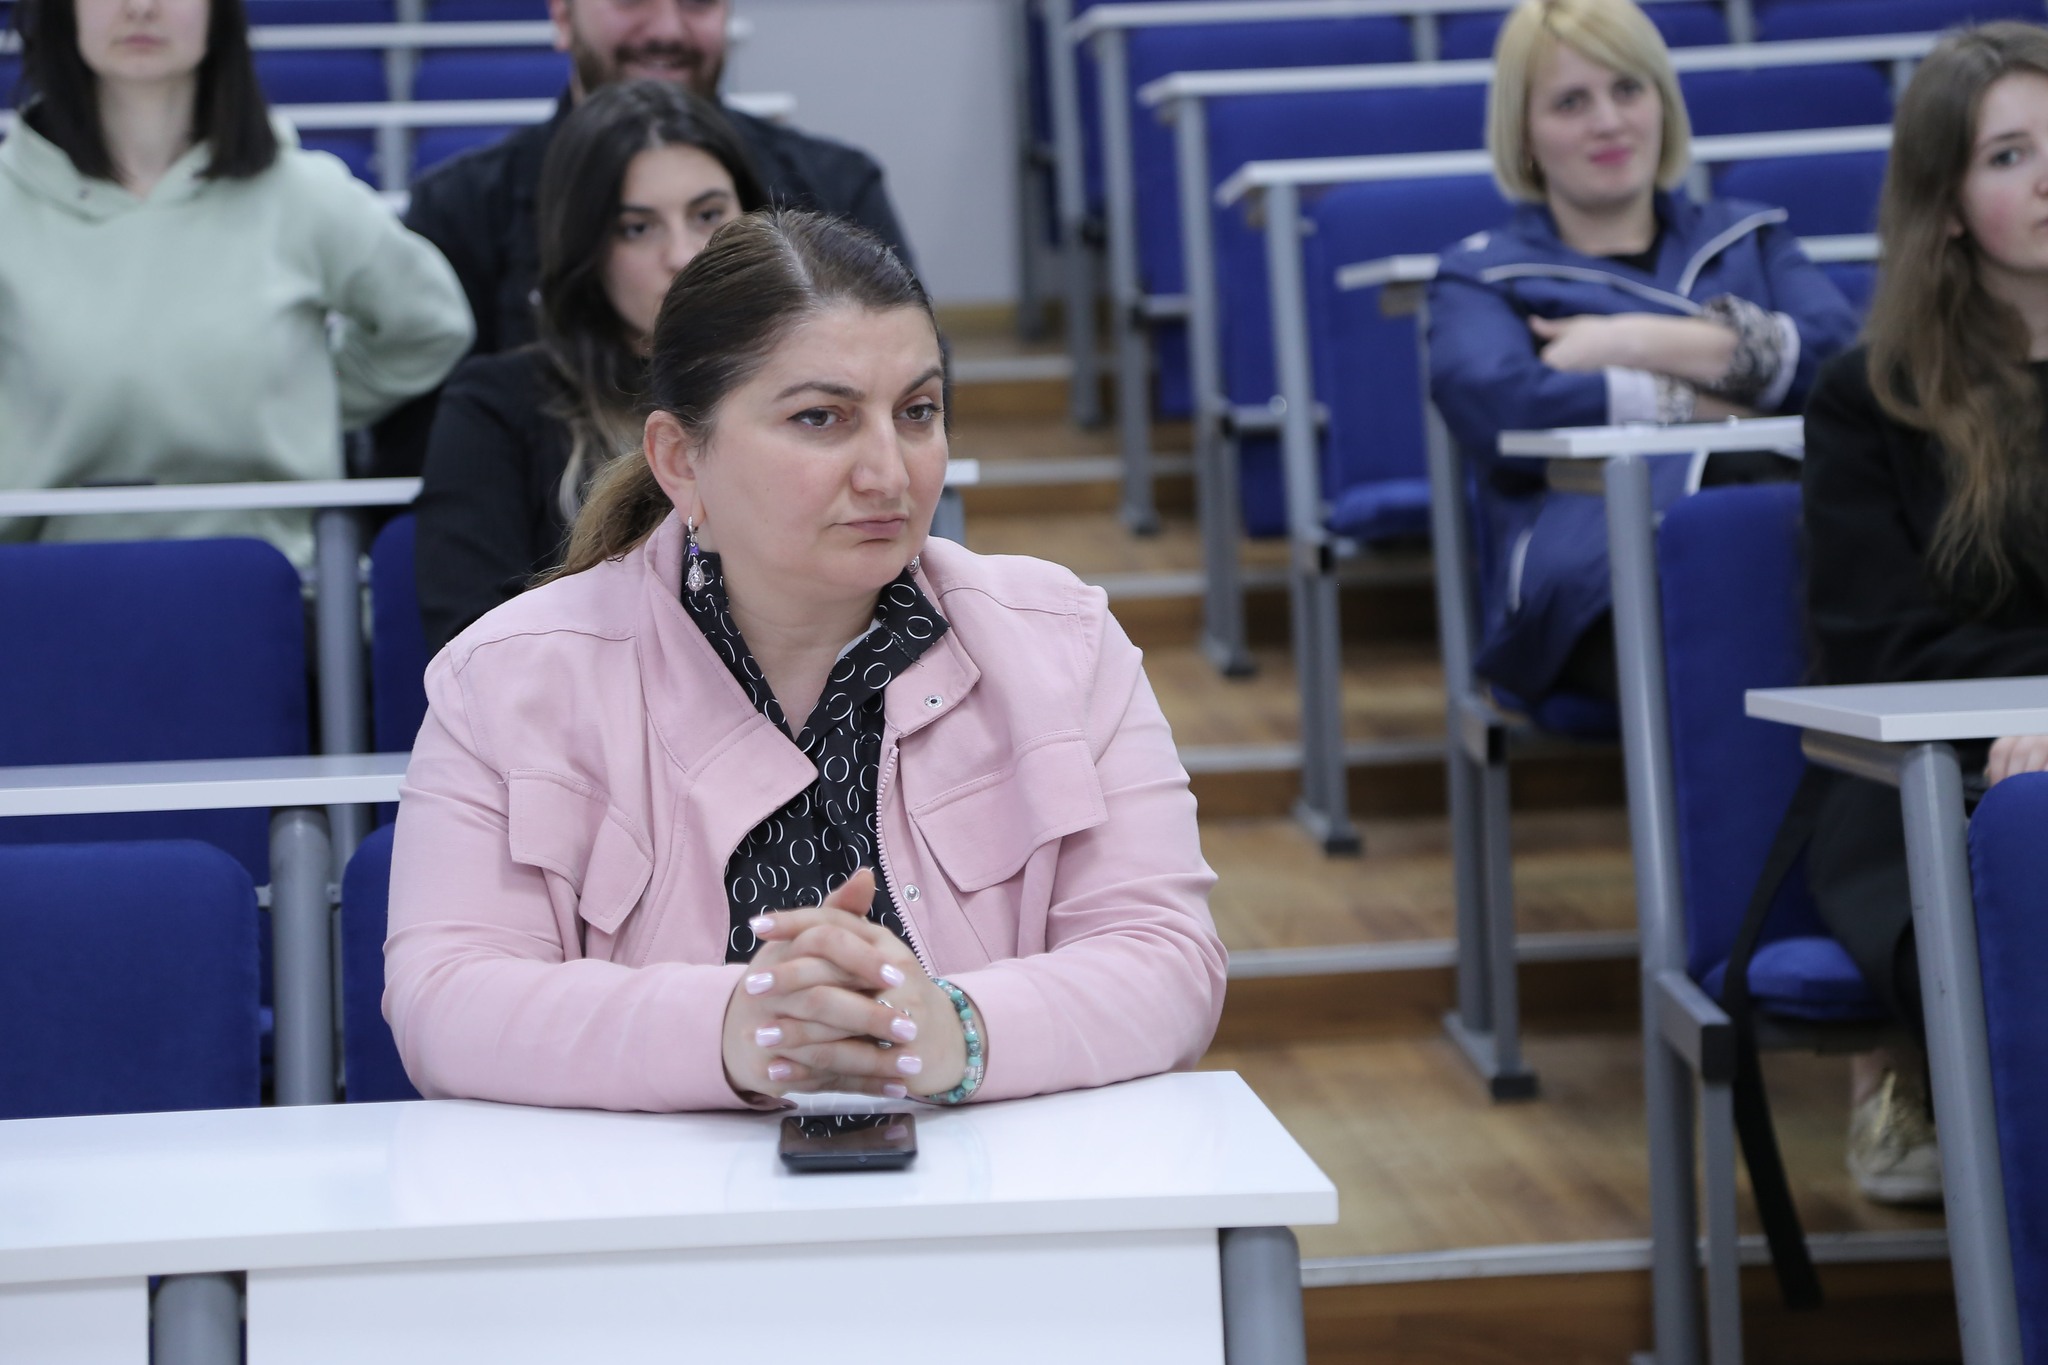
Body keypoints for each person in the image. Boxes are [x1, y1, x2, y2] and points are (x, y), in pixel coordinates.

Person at [384, 210, 1225, 1110]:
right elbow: (446, 1000)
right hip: (648, 1193)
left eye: (917, 412)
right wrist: (734, 1028)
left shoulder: (1064, 641)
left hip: (997, 1186)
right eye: (821, 418)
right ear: (679, 459)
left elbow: (1168, 959)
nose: (888, 474)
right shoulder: (506, 677)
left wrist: (956, 1027)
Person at [1427, 0, 1859, 712]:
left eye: (1628, 89)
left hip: (1792, 530)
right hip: (1594, 572)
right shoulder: (1483, 275)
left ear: (1663, 102)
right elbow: (1504, 402)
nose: (1608, 121)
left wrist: (1626, 341)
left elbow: (1842, 364)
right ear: (1523, 132)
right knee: (1750, 601)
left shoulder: (1749, 236)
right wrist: (1730, 399)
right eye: (1571, 102)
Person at [1803, 22, 2048, 1205]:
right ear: (1943, 205)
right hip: (1933, 770)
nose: (2047, 180)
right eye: (2008, 156)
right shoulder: (1870, 398)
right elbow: (1881, 643)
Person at [0, 0, 471, 568]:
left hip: (277, 578)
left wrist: (301, 398)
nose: (140, 8)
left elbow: (431, 325)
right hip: (36, 579)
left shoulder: (304, 192)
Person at [371, 0, 912, 478]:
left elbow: (909, 388)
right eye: (631, 1)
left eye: (698, 1)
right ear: (562, 15)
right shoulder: (460, 207)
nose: (667, 28)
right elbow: (421, 455)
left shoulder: (835, 186)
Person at [411, 81, 766, 654]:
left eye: (708, 214)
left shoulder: (808, 394)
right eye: (637, 228)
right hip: (575, 710)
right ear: (586, 248)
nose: (683, 254)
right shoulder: (497, 406)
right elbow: (476, 648)